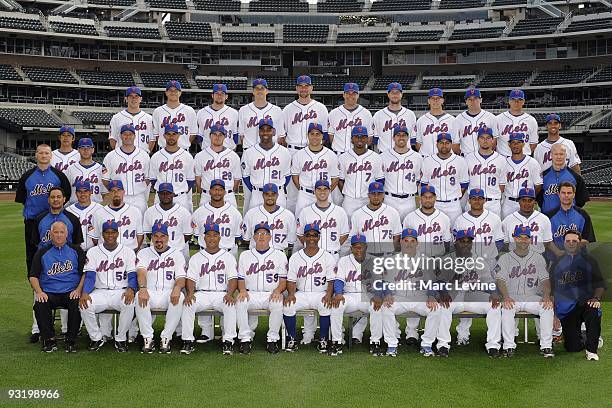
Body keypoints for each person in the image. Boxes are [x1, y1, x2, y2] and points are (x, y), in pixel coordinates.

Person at [436, 229, 502, 358]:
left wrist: (493, 293)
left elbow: (488, 281)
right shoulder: (447, 260)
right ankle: (443, 345)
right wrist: (443, 293)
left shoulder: (479, 260)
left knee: (495, 305)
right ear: (456, 243)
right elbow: (439, 281)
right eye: (462, 241)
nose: (465, 244)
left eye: (468, 242)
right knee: (443, 307)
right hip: (453, 296)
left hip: (473, 296)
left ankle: (493, 345)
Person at [381, 228, 441, 357]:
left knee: (436, 309)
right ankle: (392, 345)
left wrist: (431, 296)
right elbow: (384, 281)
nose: (409, 244)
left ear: (417, 243)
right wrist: (387, 294)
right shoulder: (392, 260)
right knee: (385, 308)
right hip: (399, 297)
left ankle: (427, 344)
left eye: (412, 241)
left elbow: (433, 281)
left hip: (420, 297)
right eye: (406, 240)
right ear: (401, 242)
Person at [496, 226, 555, 358]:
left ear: (530, 240)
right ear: (514, 238)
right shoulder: (505, 258)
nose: (523, 240)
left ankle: (546, 346)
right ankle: (508, 346)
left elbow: (545, 280)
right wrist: (505, 297)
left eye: (526, 237)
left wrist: (546, 296)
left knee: (547, 307)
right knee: (507, 308)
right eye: (520, 237)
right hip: (512, 297)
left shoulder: (538, 258)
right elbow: (500, 280)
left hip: (531, 297)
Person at [180, 223, 239, 355]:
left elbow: (233, 279)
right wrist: (190, 294)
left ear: (219, 238)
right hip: (202, 294)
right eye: (209, 235)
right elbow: (190, 279)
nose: (212, 238)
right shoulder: (196, 258)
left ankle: (228, 341)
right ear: (204, 238)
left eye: (215, 235)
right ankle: (188, 341)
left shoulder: (228, 257)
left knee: (230, 305)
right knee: (188, 304)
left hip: (221, 294)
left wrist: (230, 294)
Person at [80, 220, 137, 352]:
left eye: (113, 232)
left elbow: (133, 276)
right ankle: (96, 338)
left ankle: (121, 339)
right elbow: (89, 276)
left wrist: (131, 289)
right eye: (107, 232)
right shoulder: (93, 252)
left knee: (129, 303)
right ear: (102, 234)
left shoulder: (128, 252)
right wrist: (85, 292)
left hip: (120, 291)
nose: (110, 235)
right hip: (100, 292)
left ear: (117, 233)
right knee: (84, 304)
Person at [29, 221, 86, 352]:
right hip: (49, 292)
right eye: (56, 232)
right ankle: (49, 339)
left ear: (67, 234)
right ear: (51, 234)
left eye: (62, 232)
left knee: (76, 303)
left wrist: (78, 290)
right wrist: (39, 292)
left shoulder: (76, 250)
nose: (59, 235)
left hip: (71, 292)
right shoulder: (42, 252)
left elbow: (85, 273)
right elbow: (33, 276)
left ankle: (71, 340)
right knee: (40, 304)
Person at [550, 230, 606, 361]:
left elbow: (600, 285)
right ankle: (585, 335)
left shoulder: (590, 261)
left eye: (574, 241)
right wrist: (554, 314)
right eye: (567, 241)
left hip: (585, 302)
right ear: (563, 243)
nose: (571, 243)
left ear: (579, 243)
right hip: (567, 308)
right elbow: (551, 290)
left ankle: (592, 350)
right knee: (572, 347)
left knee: (593, 308)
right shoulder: (557, 263)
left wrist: (596, 298)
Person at [235, 222, 287, 354]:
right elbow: (240, 279)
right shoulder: (245, 255)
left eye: (265, 234)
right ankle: (245, 339)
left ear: (270, 237)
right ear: (254, 237)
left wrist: (277, 291)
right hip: (251, 293)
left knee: (278, 303)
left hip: (271, 293)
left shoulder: (280, 255)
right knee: (240, 301)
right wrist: (242, 290)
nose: (261, 236)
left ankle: (272, 339)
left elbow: (283, 280)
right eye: (258, 234)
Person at [283, 223, 335, 353]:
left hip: (320, 293)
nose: (311, 238)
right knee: (288, 306)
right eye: (308, 235)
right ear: (304, 238)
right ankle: (292, 339)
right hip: (302, 293)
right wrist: (291, 294)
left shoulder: (327, 256)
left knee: (326, 305)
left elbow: (331, 280)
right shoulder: (295, 257)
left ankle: (323, 339)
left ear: (319, 237)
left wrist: (328, 295)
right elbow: (291, 280)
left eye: (314, 235)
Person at [135, 222, 186, 354]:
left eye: (162, 236)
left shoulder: (177, 254)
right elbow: (141, 272)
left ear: (167, 237)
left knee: (179, 297)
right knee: (139, 296)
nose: (159, 239)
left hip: (168, 292)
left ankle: (166, 338)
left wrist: (177, 288)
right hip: (150, 291)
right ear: (151, 238)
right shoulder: (144, 253)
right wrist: (143, 288)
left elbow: (181, 277)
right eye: (155, 236)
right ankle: (147, 338)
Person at [330, 234, 384, 355]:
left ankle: (375, 342)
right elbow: (339, 280)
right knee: (337, 306)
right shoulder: (344, 261)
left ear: (366, 247)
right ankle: (336, 342)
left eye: (361, 247)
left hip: (367, 296)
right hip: (349, 296)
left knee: (377, 308)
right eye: (356, 247)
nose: (358, 249)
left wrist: (378, 295)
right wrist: (338, 293)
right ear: (352, 248)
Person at [282, 75, 329, 213]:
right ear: (296, 88)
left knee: (314, 190)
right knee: (292, 195)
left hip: (315, 152)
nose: (303, 88)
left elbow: (324, 135)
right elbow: (281, 136)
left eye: (306, 85)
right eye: (300, 85)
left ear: (311, 88)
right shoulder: (288, 109)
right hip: (293, 151)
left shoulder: (321, 108)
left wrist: (315, 149)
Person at [241, 118, 291, 211]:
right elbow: (246, 177)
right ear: (259, 132)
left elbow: (287, 176)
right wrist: (256, 189)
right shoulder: (249, 152)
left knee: (279, 224)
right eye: (262, 130)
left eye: (268, 130)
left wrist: (278, 188)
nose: (265, 133)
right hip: (257, 194)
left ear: (273, 132)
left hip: (278, 195)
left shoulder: (284, 152)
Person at [291, 122, 339, 218]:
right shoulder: (299, 155)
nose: (315, 137)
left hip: (325, 194)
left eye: (318, 134)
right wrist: (302, 189)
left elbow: (335, 178)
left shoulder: (331, 155)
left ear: (322, 136)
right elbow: (295, 176)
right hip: (305, 195)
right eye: (312, 134)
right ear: (307, 135)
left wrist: (325, 192)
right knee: (302, 224)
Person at [420, 132, 469, 225]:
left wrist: (455, 197)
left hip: (454, 205)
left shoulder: (460, 161)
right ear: (437, 144)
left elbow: (464, 184)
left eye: (447, 143)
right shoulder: (428, 161)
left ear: (451, 144)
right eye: (441, 143)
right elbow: (424, 185)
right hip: (435, 204)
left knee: (455, 234)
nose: (444, 145)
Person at [102, 124, 151, 215]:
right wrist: (115, 192)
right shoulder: (111, 156)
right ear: (120, 136)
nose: (127, 136)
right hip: (120, 197)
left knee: (139, 226)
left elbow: (148, 178)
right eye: (125, 134)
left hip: (139, 197)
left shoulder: (144, 155)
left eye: (130, 134)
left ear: (135, 136)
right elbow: (105, 180)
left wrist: (139, 188)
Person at [295, 179, 349, 261]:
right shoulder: (305, 212)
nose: (322, 192)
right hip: (312, 256)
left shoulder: (340, 211)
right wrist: (310, 245)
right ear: (314, 191)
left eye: (325, 189)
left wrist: (334, 245)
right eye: (319, 189)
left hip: (333, 255)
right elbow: (300, 234)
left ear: (329, 191)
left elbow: (344, 235)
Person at [338, 126, 384, 217]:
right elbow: (340, 180)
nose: (360, 139)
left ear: (367, 139)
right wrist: (347, 195)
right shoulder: (343, 158)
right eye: (357, 137)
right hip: (349, 200)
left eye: (363, 137)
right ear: (352, 139)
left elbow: (380, 180)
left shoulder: (376, 157)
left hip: (367, 199)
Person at [149, 123, 196, 213]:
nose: (171, 137)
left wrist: (179, 191)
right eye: (168, 134)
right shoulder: (156, 156)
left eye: (174, 134)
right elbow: (153, 180)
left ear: (178, 135)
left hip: (180, 198)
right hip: (161, 198)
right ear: (164, 136)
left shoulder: (187, 156)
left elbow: (190, 181)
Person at [380, 125, 422, 220]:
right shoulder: (383, 156)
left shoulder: (417, 157)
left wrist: (420, 201)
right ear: (393, 138)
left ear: (408, 137)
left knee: (409, 231)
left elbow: (419, 182)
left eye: (404, 135)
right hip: (389, 199)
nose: (401, 137)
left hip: (409, 200)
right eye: (398, 135)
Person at [193, 124, 241, 208]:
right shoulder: (200, 156)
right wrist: (205, 193)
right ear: (209, 136)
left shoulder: (233, 156)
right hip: (207, 196)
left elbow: (237, 180)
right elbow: (198, 179)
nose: (217, 137)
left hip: (228, 196)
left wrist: (226, 192)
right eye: (214, 134)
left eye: (220, 135)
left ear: (225, 136)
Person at [90, 180, 144, 252]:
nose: (116, 193)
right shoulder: (99, 213)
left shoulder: (135, 211)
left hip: (129, 252)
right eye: (112, 191)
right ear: (109, 193)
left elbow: (140, 236)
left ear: (123, 192)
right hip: (105, 253)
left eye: (119, 190)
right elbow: (95, 238)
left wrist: (133, 252)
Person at [350, 181, 401, 255]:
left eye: (379, 194)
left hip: (387, 255)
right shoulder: (357, 215)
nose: (376, 197)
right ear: (368, 195)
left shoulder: (393, 212)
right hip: (367, 256)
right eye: (373, 193)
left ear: (383, 195)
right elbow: (353, 238)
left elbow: (396, 236)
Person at [192, 179, 242, 255]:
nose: (217, 192)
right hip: (205, 254)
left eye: (220, 190)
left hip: (228, 253)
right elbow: (196, 236)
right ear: (209, 192)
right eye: (214, 189)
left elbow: (238, 237)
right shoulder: (199, 212)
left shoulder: (234, 212)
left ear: (225, 192)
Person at [143, 183, 192, 260]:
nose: (165, 196)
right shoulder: (150, 212)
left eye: (168, 193)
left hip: (177, 252)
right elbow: (149, 233)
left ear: (173, 194)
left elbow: (188, 235)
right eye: (162, 193)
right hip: (156, 253)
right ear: (158, 194)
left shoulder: (183, 212)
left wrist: (176, 244)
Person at [241, 183, 295, 253]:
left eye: (273, 194)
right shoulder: (251, 214)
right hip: (256, 254)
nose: (270, 197)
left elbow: (291, 241)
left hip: (279, 255)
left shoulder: (288, 215)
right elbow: (246, 239)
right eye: (267, 194)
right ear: (263, 195)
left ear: (277, 195)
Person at [464, 127, 506, 216]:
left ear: (492, 140)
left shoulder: (501, 159)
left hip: (493, 203)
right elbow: (464, 181)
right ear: (478, 140)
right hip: (473, 202)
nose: (485, 140)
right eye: (482, 138)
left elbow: (502, 184)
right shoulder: (468, 158)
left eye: (488, 138)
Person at [538, 144, 589, 215]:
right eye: (556, 154)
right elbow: (539, 198)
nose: (559, 157)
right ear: (551, 155)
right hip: (548, 218)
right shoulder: (542, 176)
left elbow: (581, 200)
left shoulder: (575, 176)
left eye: (561, 154)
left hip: (569, 218)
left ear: (566, 155)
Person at [501, 188, 555, 255]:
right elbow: (505, 244)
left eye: (530, 200)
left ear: (535, 201)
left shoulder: (544, 219)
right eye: (523, 200)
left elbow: (547, 242)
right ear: (519, 201)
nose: (527, 203)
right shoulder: (508, 220)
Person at [501, 132, 542, 219]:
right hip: (508, 202)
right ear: (509, 144)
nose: (516, 145)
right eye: (513, 143)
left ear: (523, 144)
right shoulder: (504, 163)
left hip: (526, 203)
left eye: (518, 142)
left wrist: (530, 199)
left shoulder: (532, 162)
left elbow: (538, 186)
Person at [403, 185, 452, 257]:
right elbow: (404, 242)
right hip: (417, 259)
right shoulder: (410, 218)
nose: (428, 200)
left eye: (430, 197)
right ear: (420, 198)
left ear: (435, 198)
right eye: (425, 197)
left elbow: (447, 243)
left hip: (438, 259)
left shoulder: (444, 218)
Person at [238, 78, 285, 150]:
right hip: (249, 151)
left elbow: (280, 137)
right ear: (253, 91)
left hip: (270, 152)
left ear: (267, 91)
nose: (259, 91)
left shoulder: (277, 110)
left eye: (262, 88)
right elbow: (242, 136)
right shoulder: (243, 110)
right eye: (257, 88)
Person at [327, 82, 373, 156]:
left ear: (358, 95)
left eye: (354, 93)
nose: (350, 96)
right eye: (348, 93)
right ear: (343, 95)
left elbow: (369, 138)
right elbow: (331, 136)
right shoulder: (334, 113)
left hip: (360, 155)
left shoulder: (366, 113)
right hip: (339, 154)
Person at [371, 82, 417, 153]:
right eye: (392, 92)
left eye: (397, 92)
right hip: (385, 155)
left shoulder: (410, 114)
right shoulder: (378, 115)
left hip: (406, 155)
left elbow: (413, 139)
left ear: (402, 94)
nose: (395, 95)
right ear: (388, 94)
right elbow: (375, 139)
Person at [549, 181, 596, 249]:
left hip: (577, 257)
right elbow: (547, 241)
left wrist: (573, 251)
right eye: (563, 193)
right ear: (558, 194)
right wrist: (558, 253)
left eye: (569, 193)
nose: (566, 195)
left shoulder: (583, 215)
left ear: (574, 195)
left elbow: (588, 239)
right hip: (557, 257)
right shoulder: (549, 216)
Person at [152, 80, 197, 150]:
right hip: (163, 150)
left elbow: (193, 134)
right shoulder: (158, 111)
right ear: (166, 93)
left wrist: (183, 145)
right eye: (170, 90)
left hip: (183, 150)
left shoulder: (189, 110)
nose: (173, 92)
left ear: (180, 93)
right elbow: (157, 135)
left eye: (176, 90)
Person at [109, 86, 155, 153]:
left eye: (136, 96)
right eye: (131, 96)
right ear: (126, 99)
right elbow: (113, 140)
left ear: (140, 99)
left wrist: (146, 153)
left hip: (142, 156)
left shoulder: (149, 119)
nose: (134, 99)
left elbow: (152, 140)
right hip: (122, 156)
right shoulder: (116, 118)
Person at [414, 88, 458, 156]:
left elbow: (456, 144)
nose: (435, 100)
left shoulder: (452, 120)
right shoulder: (421, 120)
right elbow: (418, 144)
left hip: (447, 160)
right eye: (432, 98)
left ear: (442, 100)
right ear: (428, 101)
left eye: (438, 98)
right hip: (426, 159)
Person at [454, 88, 498, 156]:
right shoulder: (458, 119)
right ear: (466, 101)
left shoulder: (491, 117)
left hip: (486, 157)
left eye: (475, 98)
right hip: (466, 157)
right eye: (470, 99)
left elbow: (494, 140)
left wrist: (487, 154)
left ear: (481, 100)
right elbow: (455, 143)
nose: (473, 101)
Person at [196, 83, 239, 150]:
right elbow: (200, 136)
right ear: (212, 95)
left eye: (222, 93)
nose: (219, 96)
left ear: (226, 96)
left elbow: (235, 136)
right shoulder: (201, 112)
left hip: (228, 151)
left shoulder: (234, 113)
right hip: (207, 152)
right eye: (216, 93)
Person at [495, 89, 538, 157]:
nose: (516, 102)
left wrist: (521, 157)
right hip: (503, 158)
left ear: (523, 101)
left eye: (519, 100)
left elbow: (533, 143)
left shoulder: (531, 120)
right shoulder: (498, 119)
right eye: (513, 99)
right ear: (509, 101)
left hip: (524, 159)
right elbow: (494, 141)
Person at [65, 137, 107, 204]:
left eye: (88, 147)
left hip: (95, 208)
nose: (85, 150)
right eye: (82, 147)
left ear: (93, 150)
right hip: (74, 207)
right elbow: (66, 191)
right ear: (78, 150)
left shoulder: (100, 169)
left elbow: (105, 193)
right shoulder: (70, 169)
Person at [66, 180, 104, 251]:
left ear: (90, 192)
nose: (82, 194)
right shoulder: (68, 210)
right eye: (79, 191)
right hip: (74, 250)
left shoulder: (100, 209)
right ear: (76, 193)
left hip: (95, 250)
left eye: (85, 191)